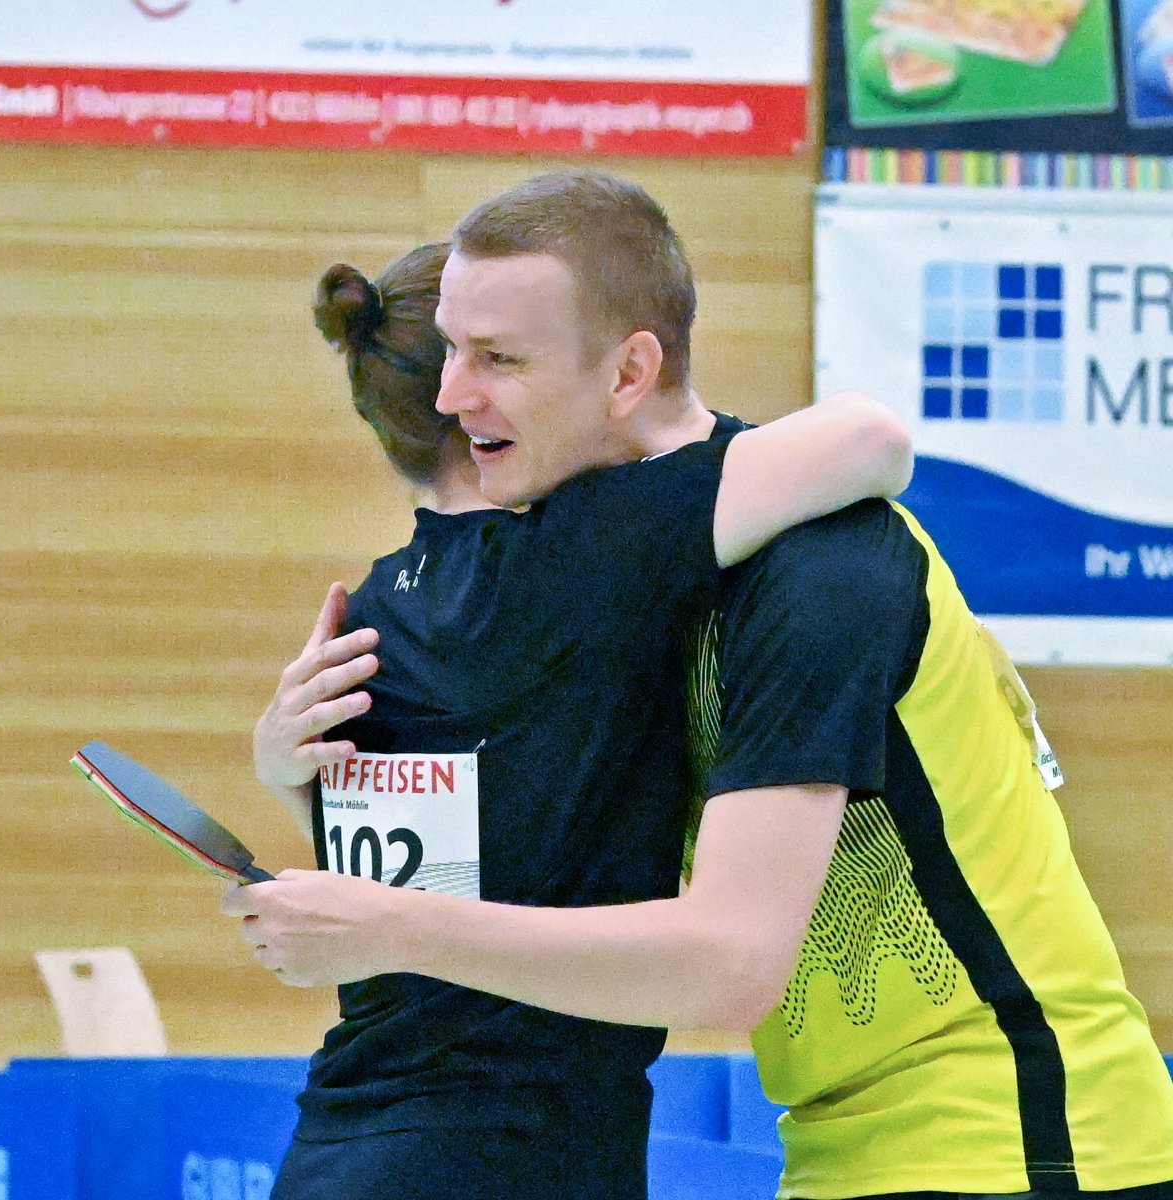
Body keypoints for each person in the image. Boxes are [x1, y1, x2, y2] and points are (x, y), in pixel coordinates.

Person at [230, 168, 1173, 1200]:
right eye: (452, 351)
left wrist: (386, 925)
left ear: (628, 373)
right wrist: (298, 773)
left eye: (497, 358)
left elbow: (730, 959)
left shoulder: (817, 568)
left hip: (1019, 1142)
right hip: (832, 1147)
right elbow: (494, 860)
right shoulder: (592, 583)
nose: (452, 398)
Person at [226, 206, 913, 1198]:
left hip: (342, 1138)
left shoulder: (372, 609)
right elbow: (871, 440)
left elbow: (456, 862)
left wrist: (283, 780)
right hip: (522, 1149)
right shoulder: (592, 549)